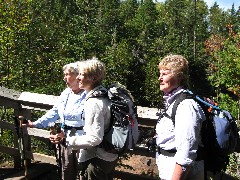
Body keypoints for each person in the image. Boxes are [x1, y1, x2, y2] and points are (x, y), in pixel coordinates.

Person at [23, 62, 86, 180]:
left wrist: (66, 135)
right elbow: (54, 112)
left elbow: (90, 122)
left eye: (67, 74)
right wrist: (36, 123)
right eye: (64, 74)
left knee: (83, 174)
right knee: (66, 172)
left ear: (77, 76)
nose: (64, 77)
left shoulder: (88, 95)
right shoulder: (66, 93)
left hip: (83, 143)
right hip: (65, 141)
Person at [65, 57, 118, 180]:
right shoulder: (105, 94)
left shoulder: (94, 102)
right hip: (109, 156)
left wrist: (69, 141)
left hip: (96, 159)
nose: (78, 77)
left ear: (93, 78)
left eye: (82, 75)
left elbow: (94, 138)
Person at [155, 54, 206, 179]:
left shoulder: (186, 106)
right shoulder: (174, 101)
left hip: (180, 174)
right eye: (160, 74)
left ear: (179, 77)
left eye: (165, 74)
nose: (159, 78)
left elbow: (186, 152)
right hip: (169, 168)